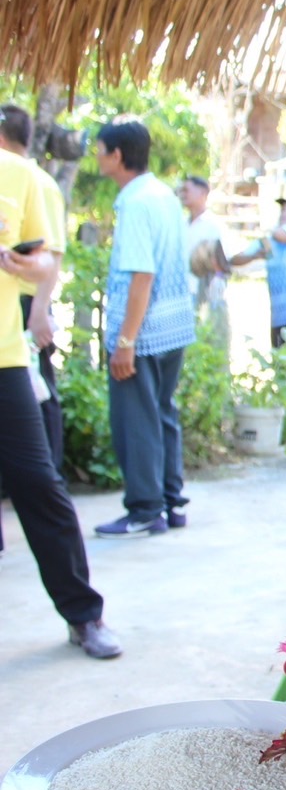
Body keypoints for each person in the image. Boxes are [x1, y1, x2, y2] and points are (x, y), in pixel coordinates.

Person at [0, 135, 123, 657]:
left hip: (4, 358)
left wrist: (26, 270)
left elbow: (46, 262)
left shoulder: (20, 174)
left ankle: (84, 614)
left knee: (38, 481)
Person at [93, 118, 198, 538]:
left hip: (143, 332)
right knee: (161, 414)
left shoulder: (135, 203)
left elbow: (142, 275)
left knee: (135, 420)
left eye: (99, 149)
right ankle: (171, 502)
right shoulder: (163, 195)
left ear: (117, 155)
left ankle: (144, 509)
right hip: (172, 326)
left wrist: (125, 342)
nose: (96, 157)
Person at [1, 104, 65, 472]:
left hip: (29, 302)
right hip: (16, 298)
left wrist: (41, 311)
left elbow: (50, 253)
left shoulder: (35, 181)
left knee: (39, 394)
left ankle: (48, 467)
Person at [230, 195, 286, 349]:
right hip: (279, 315)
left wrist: (270, 230)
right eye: (283, 210)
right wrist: (255, 256)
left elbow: (280, 235)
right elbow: (236, 260)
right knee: (280, 367)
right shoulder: (270, 239)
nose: (284, 214)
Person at [178, 174, 233, 343]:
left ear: (202, 193)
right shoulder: (181, 224)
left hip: (204, 292)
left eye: (187, 190)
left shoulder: (214, 225)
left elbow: (225, 260)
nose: (183, 194)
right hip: (181, 291)